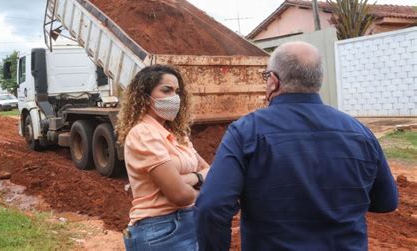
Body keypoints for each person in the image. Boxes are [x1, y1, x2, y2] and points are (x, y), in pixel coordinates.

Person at [195, 41, 398, 251]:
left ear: (273, 81)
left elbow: (212, 207)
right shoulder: (360, 132)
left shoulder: (246, 131)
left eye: (266, 78)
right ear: (318, 80)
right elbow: (386, 202)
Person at [116, 64, 209, 251]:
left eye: (177, 92)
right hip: (161, 231)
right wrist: (201, 181)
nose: (174, 98)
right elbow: (180, 195)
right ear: (145, 96)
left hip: (188, 222)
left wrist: (188, 179)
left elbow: (211, 170)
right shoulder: (143, 133)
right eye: (166, 90)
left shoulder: (177, 134)